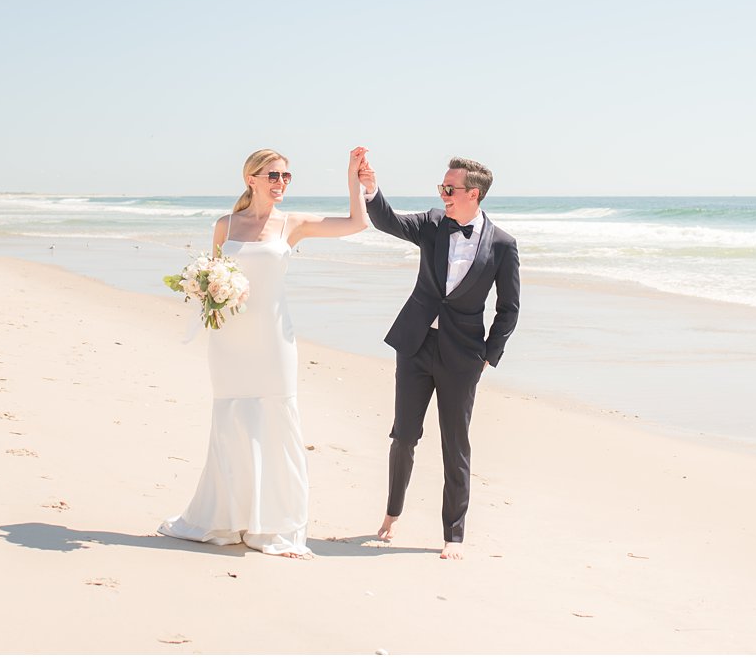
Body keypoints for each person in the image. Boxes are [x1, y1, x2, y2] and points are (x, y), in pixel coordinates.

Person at [159, 146, 370, 558]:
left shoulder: (292, 224)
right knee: (231, 422)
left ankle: (275, 526)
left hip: (274, 341)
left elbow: (357, 223)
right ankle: (226, 519)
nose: (280, 184)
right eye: (273, 176)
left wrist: (353, 177)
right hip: (229, 342)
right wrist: (209, 289)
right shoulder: (225, 225)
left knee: (276, 421)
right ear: (251, 179)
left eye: (286, 177)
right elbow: (212, 278)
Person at [357, 155, 520, 559]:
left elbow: (509, 307)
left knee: (456, 445)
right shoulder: (432, 224)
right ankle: (392, 514)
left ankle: (454, 535)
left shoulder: (501, 244)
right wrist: (371, 188)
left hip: (462, 357)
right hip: (415, 345)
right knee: (405, 436)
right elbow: (388, 221)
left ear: (473, 194)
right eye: (441, 188)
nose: (443, 195)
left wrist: (488, 355)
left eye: (450, 189)